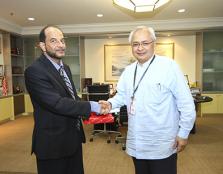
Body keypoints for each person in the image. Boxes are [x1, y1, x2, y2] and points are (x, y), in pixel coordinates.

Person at [100, 26, 196, 174]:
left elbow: (186, 104)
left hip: (162, 142)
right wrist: (110, 103)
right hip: (137, 140)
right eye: (135, 44)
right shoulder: (129, 71)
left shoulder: (169, 67)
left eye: (145, 43)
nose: (140, 48)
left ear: (154, 44)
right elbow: (122, 96)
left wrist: (183, 134)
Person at [24, 25, 105, 174]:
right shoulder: (34, 71)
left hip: (73, 140)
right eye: (54, 41)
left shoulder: (65, 68)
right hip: (52, 145)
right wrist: (92, 106)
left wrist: (96, 107)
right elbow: (57, 103)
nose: (61, 45)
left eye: (62, 40)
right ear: (42, 45)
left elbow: (72, 97)